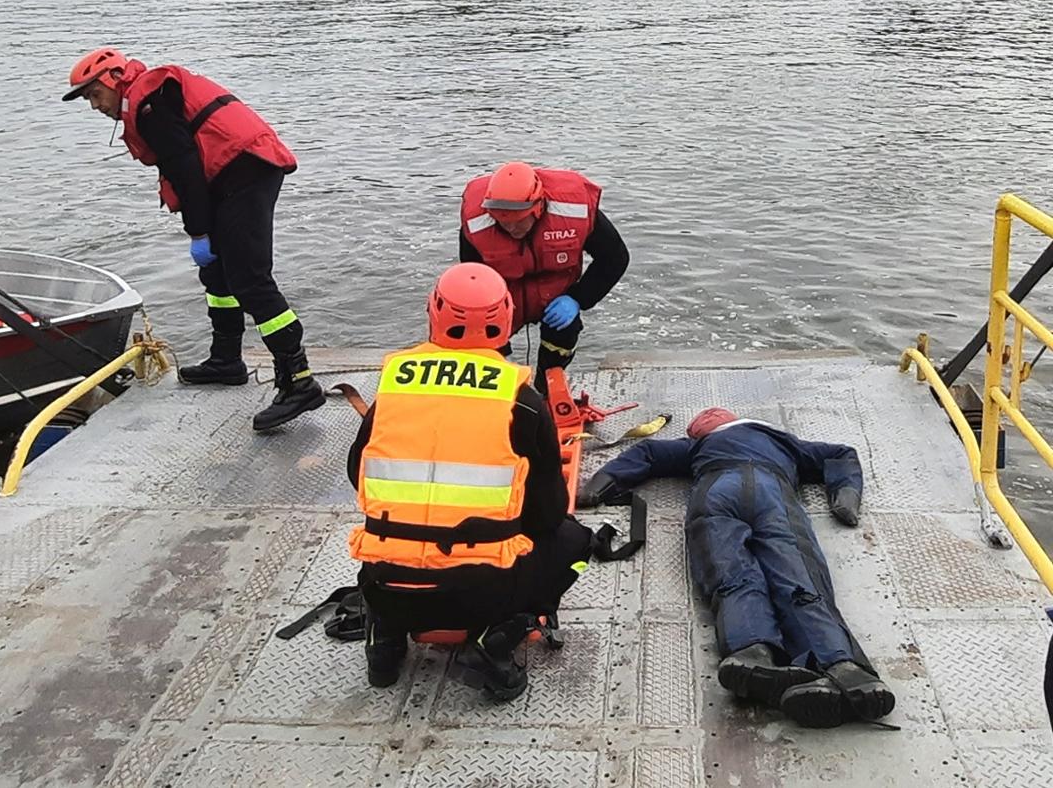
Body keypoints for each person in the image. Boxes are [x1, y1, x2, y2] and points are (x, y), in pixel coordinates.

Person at [346, 262, 594, 699]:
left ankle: (383, 640)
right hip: (480, 594)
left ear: (433, 313)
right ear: (505, 320)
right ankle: (492, 641)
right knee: (575, 542)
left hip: (386, 586)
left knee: (391, 540)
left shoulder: (396, 389)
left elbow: (357, 475)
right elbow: (549, 514)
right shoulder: (523, 401)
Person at [578, 408, 896, 727]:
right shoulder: (784, 442)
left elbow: (647, 452)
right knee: (800, 578)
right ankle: (842, 666)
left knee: (732, 576)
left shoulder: (698, 446)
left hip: (717, 491)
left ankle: (750, 651)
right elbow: (840, 454)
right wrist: (844, 496)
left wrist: (600, 485)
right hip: (773, 493)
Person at [62, 47, 323, 432]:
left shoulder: (151, 106)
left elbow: (186, 171)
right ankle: (227, 360)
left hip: (247, 170)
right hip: (229, 174)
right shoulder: (149, 99)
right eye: (88, 99)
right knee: (217, 274)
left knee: (249, 278)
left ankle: (298, 380)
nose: (95, 106)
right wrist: (202, 234)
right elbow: (191, 172)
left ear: (115, 80)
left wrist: (199, 231)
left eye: (95, 95)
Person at [458, 161, 629, 385]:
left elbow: (615, 257)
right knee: (481, 349)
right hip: (503, 300)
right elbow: (473, 277)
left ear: (537, 207)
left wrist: (577, 298)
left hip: (555, 296)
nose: (510, 228)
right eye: (502, 221)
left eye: (518, 221)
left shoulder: (576, 211)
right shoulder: (477, 223)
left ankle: (546, 385)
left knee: (563, 334)